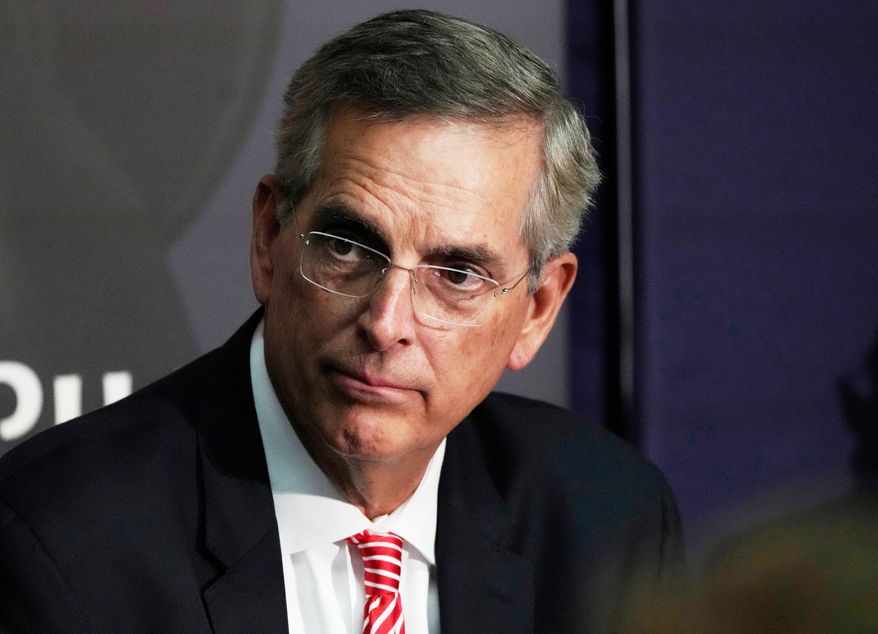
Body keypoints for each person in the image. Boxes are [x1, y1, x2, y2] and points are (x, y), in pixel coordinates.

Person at [0, 9, 683, 633]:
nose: (387, 325)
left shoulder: (608, 519)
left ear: (537, 309)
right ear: (269, 237)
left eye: (455, 276)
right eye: (348, 248)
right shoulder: (58, 539)